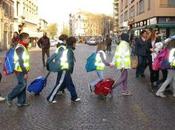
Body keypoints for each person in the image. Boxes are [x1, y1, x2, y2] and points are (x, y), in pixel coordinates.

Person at [47, 35, 80, 103]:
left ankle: (74, 97)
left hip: (64, 69)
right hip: (64, 69)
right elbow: (70, 62)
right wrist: (70, 70)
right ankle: (50, 98)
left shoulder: (67, 49)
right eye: (75, 43)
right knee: (59, 84)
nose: (75, 45)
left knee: (70, 84)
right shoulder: (68, 50)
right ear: (73, 43)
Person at [6, 32, 30, 107]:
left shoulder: (23, 46)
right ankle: (9, 97)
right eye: (28, 38)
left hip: (22, 69)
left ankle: (21, 102)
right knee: (22, 84)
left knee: (23, 85)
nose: (29, 39)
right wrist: (25, 72)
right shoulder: (20, 47)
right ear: (24, 39)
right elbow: (20, 61)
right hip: (20, 70)